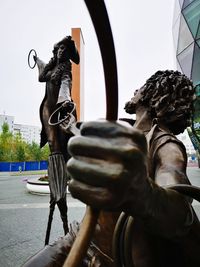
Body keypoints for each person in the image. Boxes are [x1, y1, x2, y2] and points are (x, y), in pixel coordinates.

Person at [23, 70, 200, 266]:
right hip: (82, 238)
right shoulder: (125, 129)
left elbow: (179, 205)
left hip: (114, 258)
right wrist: (73, 128)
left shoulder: (165, 144)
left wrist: (143, 193)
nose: (136, 90)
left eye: (142, 87)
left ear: (157, 94)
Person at [33, 36, 79, 244]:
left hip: (59, 111)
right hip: (46, 112)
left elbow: (65, 87)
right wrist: (39, 60)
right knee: (53, 146)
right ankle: (57, 195)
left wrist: (66, 101)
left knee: (61, 148)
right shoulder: (51, 68)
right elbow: (41, 76)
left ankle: (61, 205)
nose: (61, 51)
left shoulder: (66, 71)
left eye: (64, 49)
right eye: (58, 48)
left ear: (68, 53)